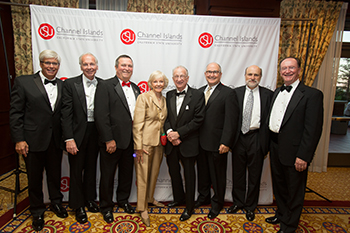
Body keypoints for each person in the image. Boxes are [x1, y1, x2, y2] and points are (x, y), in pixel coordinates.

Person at [9, 50, 67, 231]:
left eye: (55, 64)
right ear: (41, 64)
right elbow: (16, 113)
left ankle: (56, 203)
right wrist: (19, 139)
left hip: (55, 140)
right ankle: (36, 211)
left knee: (54, 174)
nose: (51, 66)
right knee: (34, 178)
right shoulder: (24, 82)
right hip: (32, 140)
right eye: (48, 63)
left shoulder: (62, 85)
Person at [266, 57, 323, 233]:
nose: (287, 71)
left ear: (299, 70)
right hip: (275, 147)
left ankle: (290, 226)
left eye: (291, 67)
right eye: (284, 68)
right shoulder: (276, 92)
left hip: (296, 152)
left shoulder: (312, 95)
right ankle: (282, 214)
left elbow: (312, 130)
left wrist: (304, 156)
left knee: (295, 191)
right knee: (280, 186)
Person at [94, 54, 140, 224]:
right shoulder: (105, 85)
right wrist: (108, 139)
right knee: (107, 175)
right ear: (116, 67)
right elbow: (101, 115)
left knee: (127, 174)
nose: (127, 68)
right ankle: (106, 206)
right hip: (112, 142)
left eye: (130, 65)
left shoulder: (136, 88)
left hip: (130, 141)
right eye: (123, 65)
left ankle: (123, 200)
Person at [228, 65, 273, 221]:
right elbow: (231, 119)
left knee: (254, 176)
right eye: (250, 74)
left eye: (256, 75)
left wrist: (265, 144)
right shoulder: (235, 93)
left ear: (260, 77)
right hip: (239, 138)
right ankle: (238, 203)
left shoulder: (268, 95)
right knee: (238, 173)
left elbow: (269, 121)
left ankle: (250, 207)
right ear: (245, 75)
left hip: (257, 138)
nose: (252, 77)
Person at [61, 53, 101, 224]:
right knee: (76, 170)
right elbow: (65, 114)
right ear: (80, 66)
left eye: (92, 64)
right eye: (85, 64)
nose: (89, 67)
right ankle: (77, 206)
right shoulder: (70, 84)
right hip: (77, 133)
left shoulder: (103, 84)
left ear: (97, 66)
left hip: (96, 132)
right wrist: (69, 138)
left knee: (91, 168)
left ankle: (90, 199)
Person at [195, 62, 238, 219]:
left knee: (218, 176)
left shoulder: (228, 93)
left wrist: (226, 142)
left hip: (218, 144)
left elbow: (231, 121)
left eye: (215, 72)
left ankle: (217, 203)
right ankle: (203, 197)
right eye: (209, 72)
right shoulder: (199, 92)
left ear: (220, 74)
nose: (212, 74)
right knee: (203, 173)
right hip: (200, 143)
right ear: (205, 74)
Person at [164, 65, 205, 221]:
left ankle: (189, 207)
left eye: (182, 76)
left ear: (187, 78)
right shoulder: (168, 95)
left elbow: (198, 120)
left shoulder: (197, 95)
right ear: (173, 79)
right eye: (176, 76)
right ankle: (178, 198)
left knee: (189, 176)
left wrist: (179, 133)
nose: (179, 79)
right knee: (174, 173)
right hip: (171, 143)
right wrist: (169, 134)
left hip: (188, 143)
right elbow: (165, 118)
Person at [133, 70, 169, 227]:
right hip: (145, 144)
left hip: (159, 143)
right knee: (142, 175)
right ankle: (142, 208)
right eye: (155, 81)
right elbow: (137, 123)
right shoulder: (143, 97)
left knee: (154, 174)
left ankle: (149, 198)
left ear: (165, 83)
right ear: (150, 83)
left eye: (161, 81)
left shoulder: (165, 99)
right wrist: (138, 147)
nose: (158, 84)